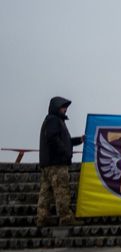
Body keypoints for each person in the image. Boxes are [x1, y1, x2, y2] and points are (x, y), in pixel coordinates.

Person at [37, 96, 83, 227]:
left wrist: (79, 140)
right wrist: (65, 153)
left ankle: (42, 217)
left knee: (46, 192)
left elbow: (64, 141)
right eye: (63, 107)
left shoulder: (52, 120)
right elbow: (53, 139)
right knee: (62, 190)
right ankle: (65, 217)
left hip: (48, 163)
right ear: (57, 107)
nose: (65, 109)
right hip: (57, 163)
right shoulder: (54, 120)